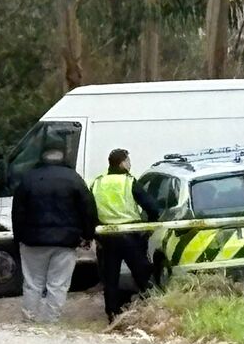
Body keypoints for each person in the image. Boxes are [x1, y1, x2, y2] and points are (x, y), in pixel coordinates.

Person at [12, 136, 97, 323]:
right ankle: (50, 325)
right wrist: (87, 235)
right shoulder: (74, 179)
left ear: (42, 155)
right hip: (66, 241)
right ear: (63, 154)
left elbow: (17, 212)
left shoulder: (28, 179)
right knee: (57, 285)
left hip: (32, 241)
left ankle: (29, 322)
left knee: (33, 284)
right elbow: (88, 209)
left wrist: (18, 237)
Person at [91, 149, 161, 322]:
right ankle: (153, 309)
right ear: (122, 163)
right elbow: (152, 207)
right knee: (142, 274)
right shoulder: (128, 182)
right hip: (130, 234)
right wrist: (149, 227)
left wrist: (96, 233)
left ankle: (113, 314)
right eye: (128, 161)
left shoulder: (97, 183)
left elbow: (89, 210)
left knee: (110, 278)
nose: (130, 164)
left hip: (106, 235)